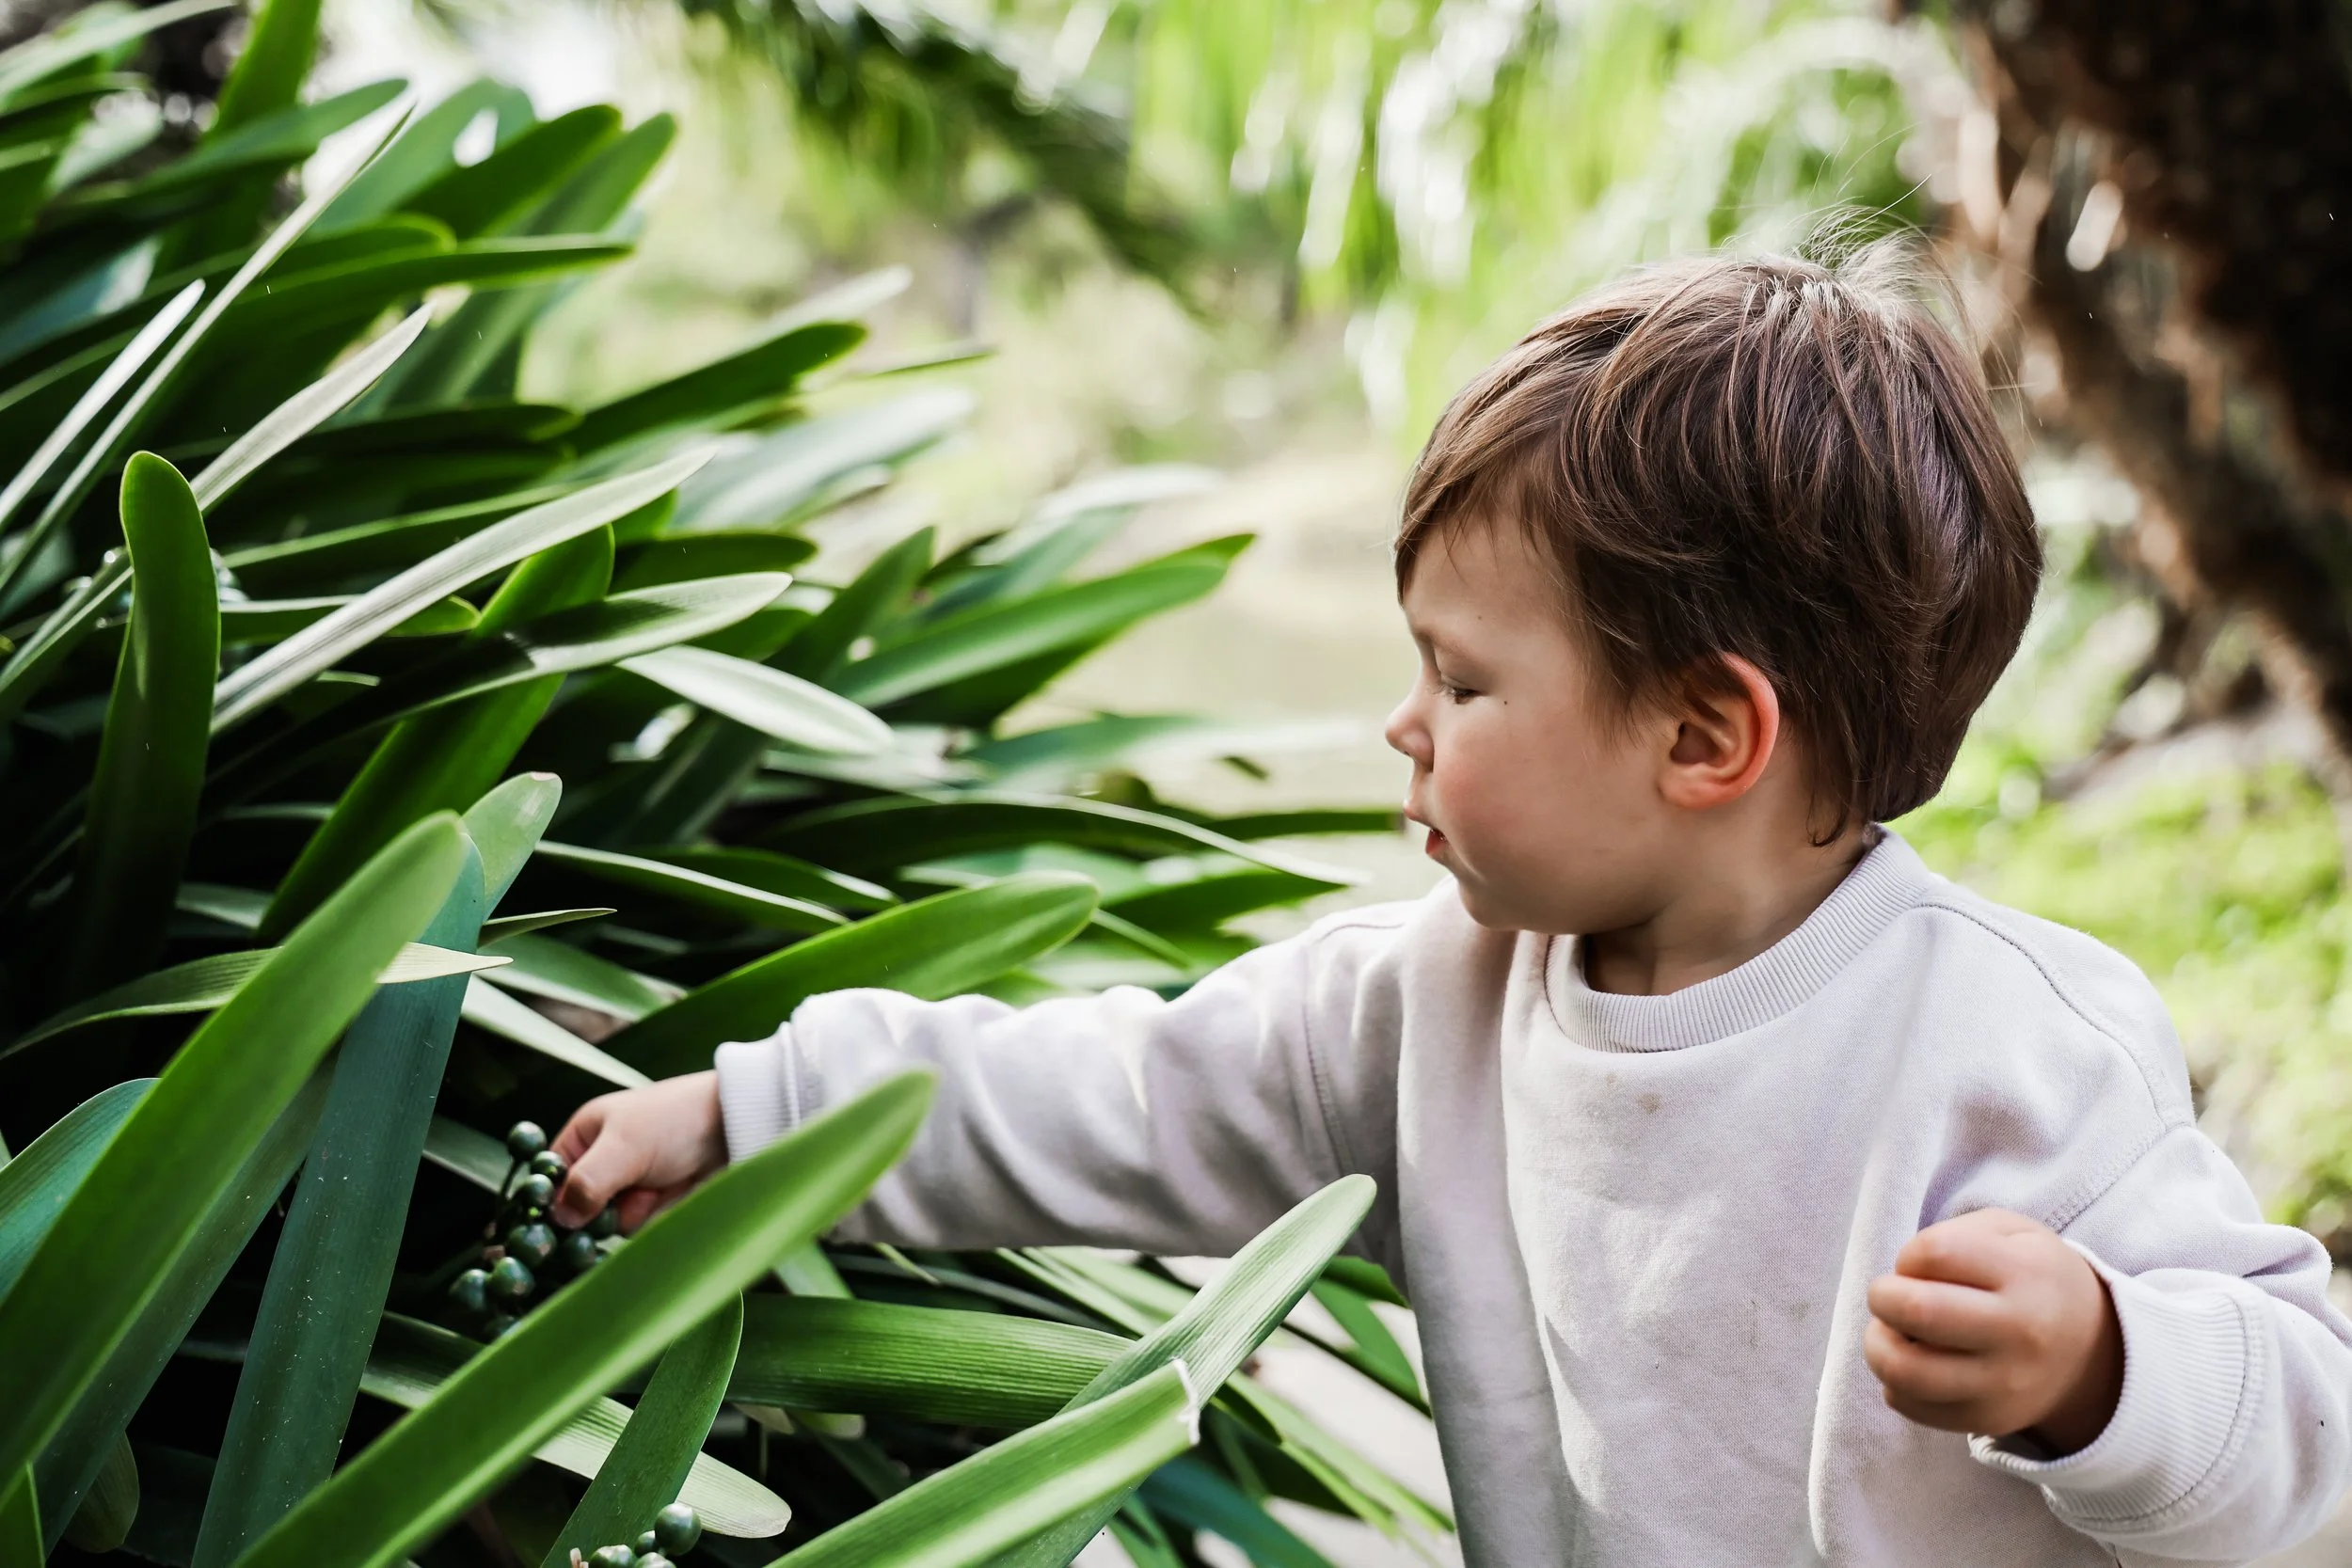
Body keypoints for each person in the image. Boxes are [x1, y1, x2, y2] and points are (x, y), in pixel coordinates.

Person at [548, 245, 2352, 1566]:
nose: (1403, 725)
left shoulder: (2012, 1053)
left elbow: (2313, 1437)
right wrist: (760, 1116)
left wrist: (2106, 1368)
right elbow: (1128, 1091)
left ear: (1708, 730)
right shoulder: (1440, 1002)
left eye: (1464, 682)